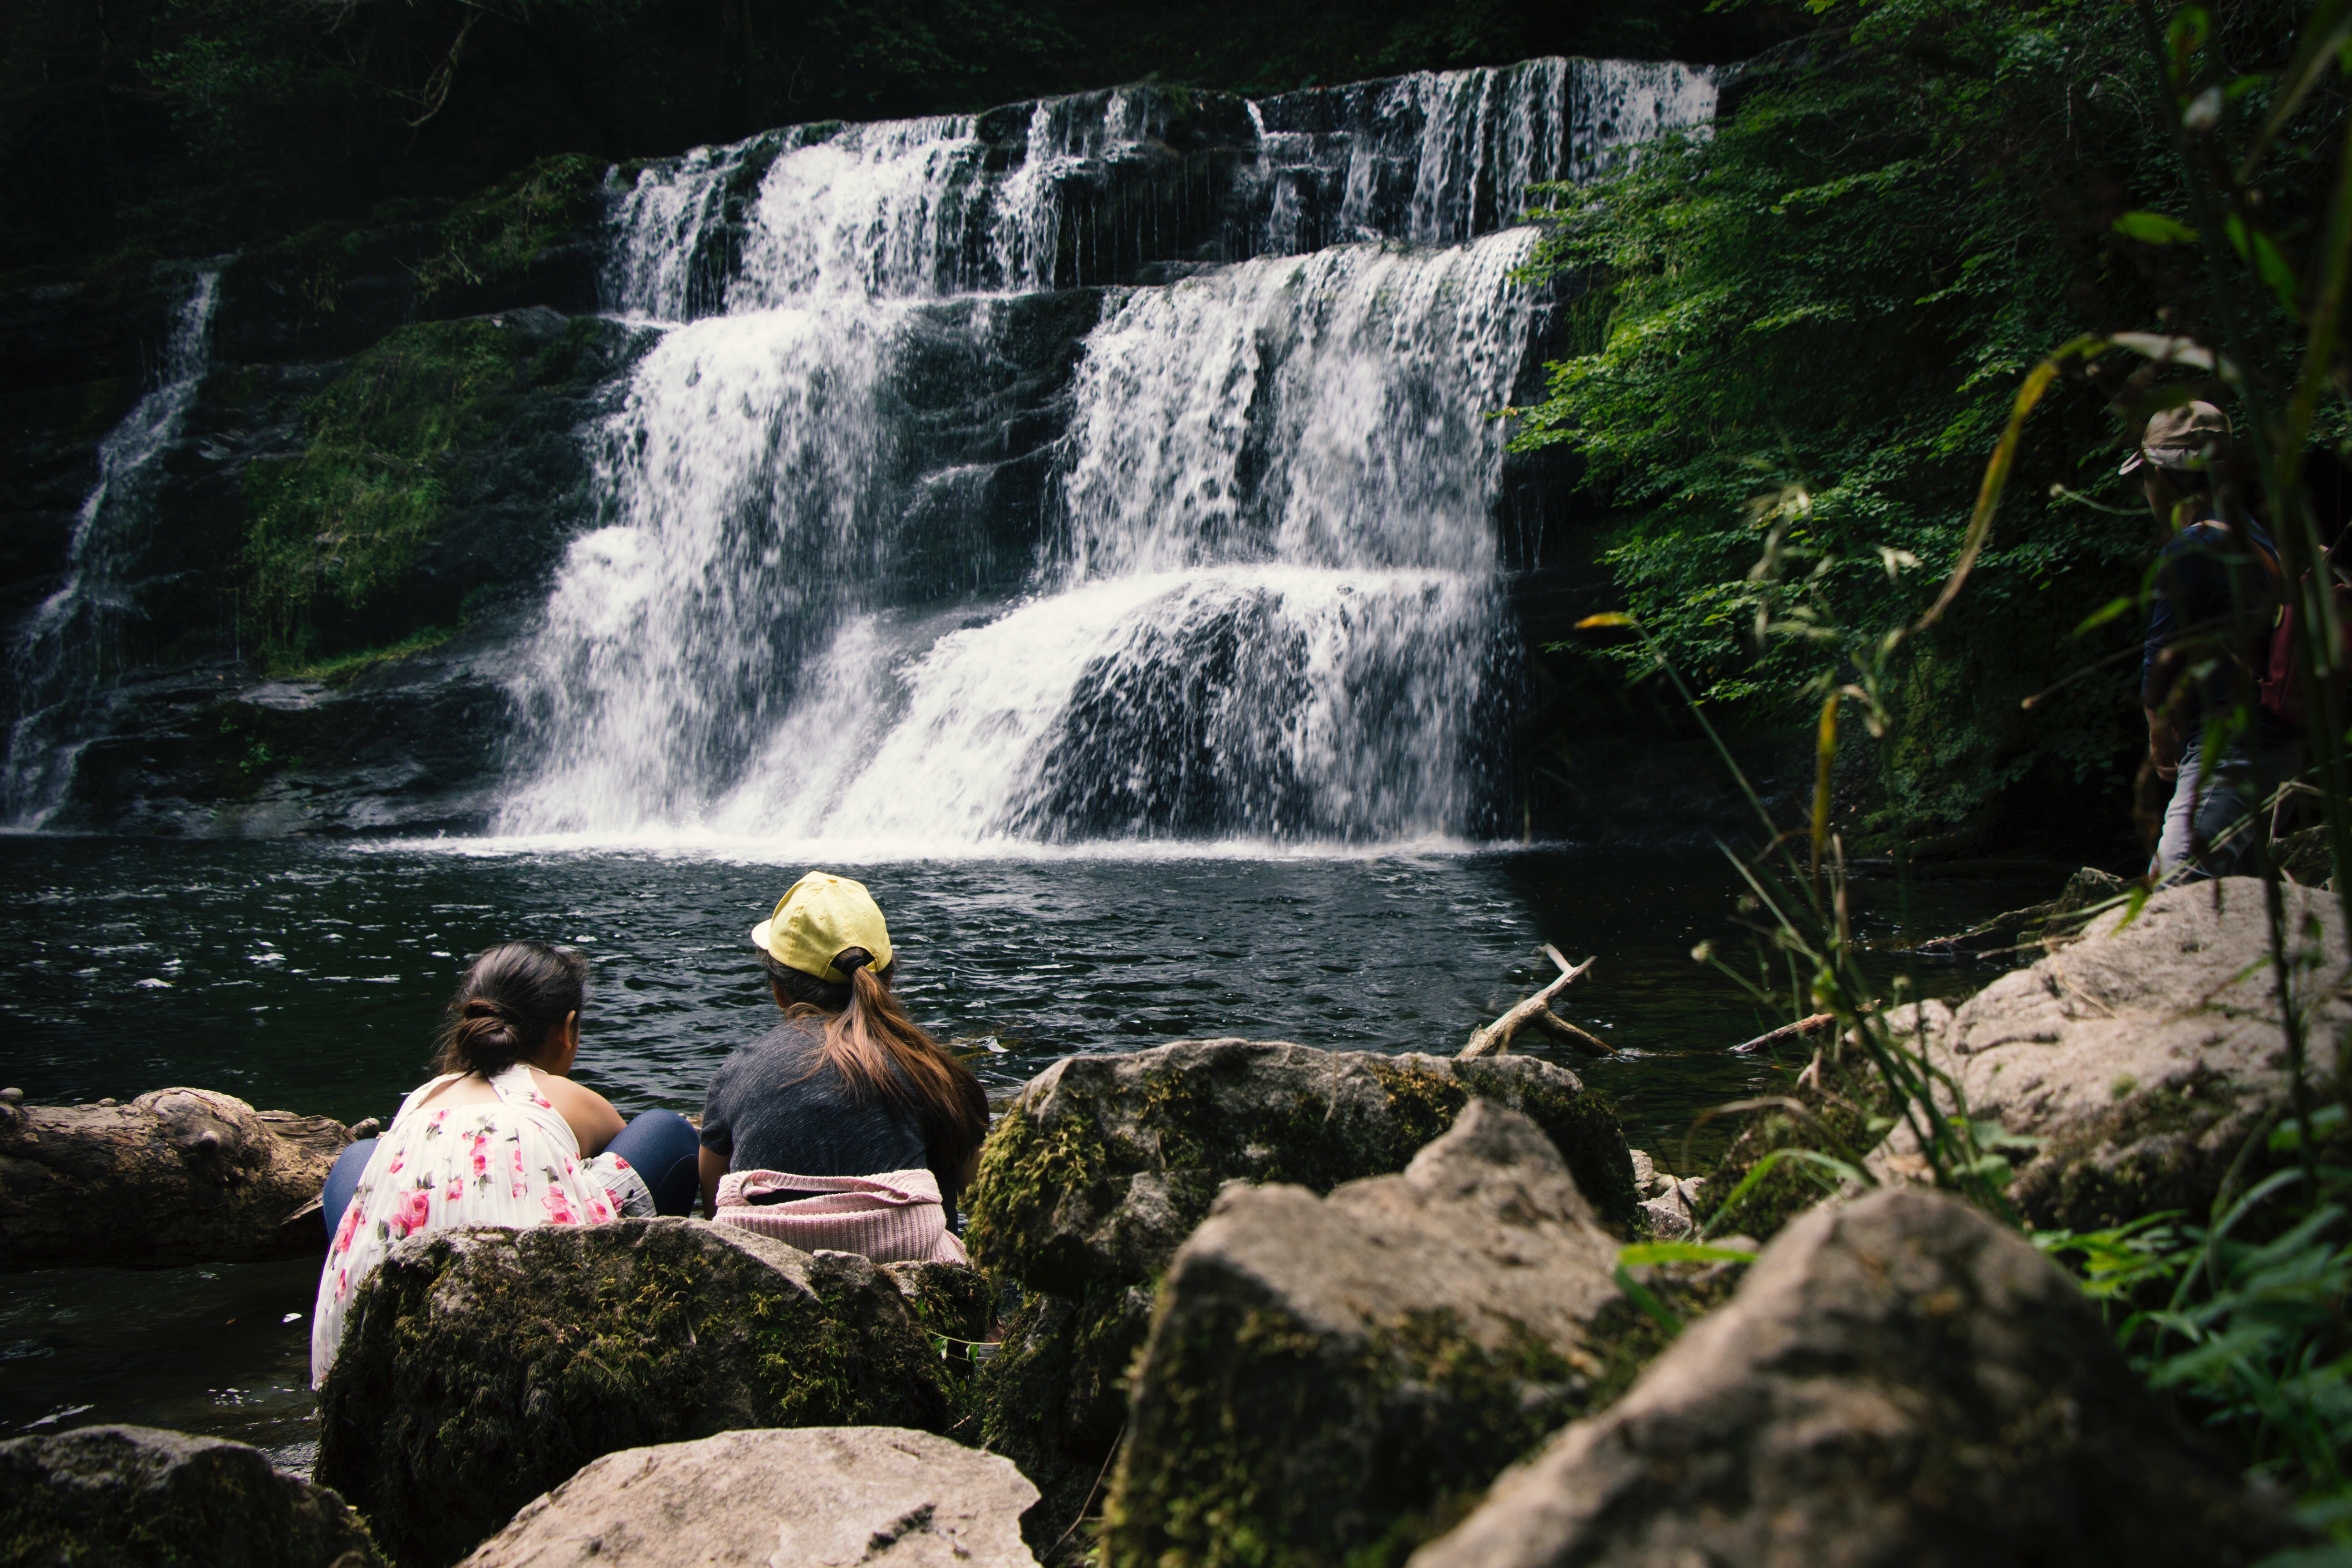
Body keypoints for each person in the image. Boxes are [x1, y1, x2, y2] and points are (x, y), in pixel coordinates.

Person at [310, 941, 701, 1387]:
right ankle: (663, 1326)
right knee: (666, 1131)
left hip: (388, 1363)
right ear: (567, 1029)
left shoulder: (423, 1099)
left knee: (358, 1158)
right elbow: (629, 1154)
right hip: (541, 1359)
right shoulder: (566, 1097)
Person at [699, 872, 988, 1264]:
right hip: (922, 1303)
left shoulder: (738, 1073)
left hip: (766, 1298)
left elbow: (713, 1201)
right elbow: (991, 1210)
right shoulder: (937, 1074)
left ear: (778, 990)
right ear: (887, 979)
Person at [2128, 400, 2292, 882]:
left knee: (2177, 886)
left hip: (2233, 746)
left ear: (2164, 479)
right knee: (2240, 889)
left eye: (2147, 476)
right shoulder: (2254, 537)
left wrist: (2161, 738)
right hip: (2271, 740)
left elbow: (2159, 665)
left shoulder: (2193, 548)